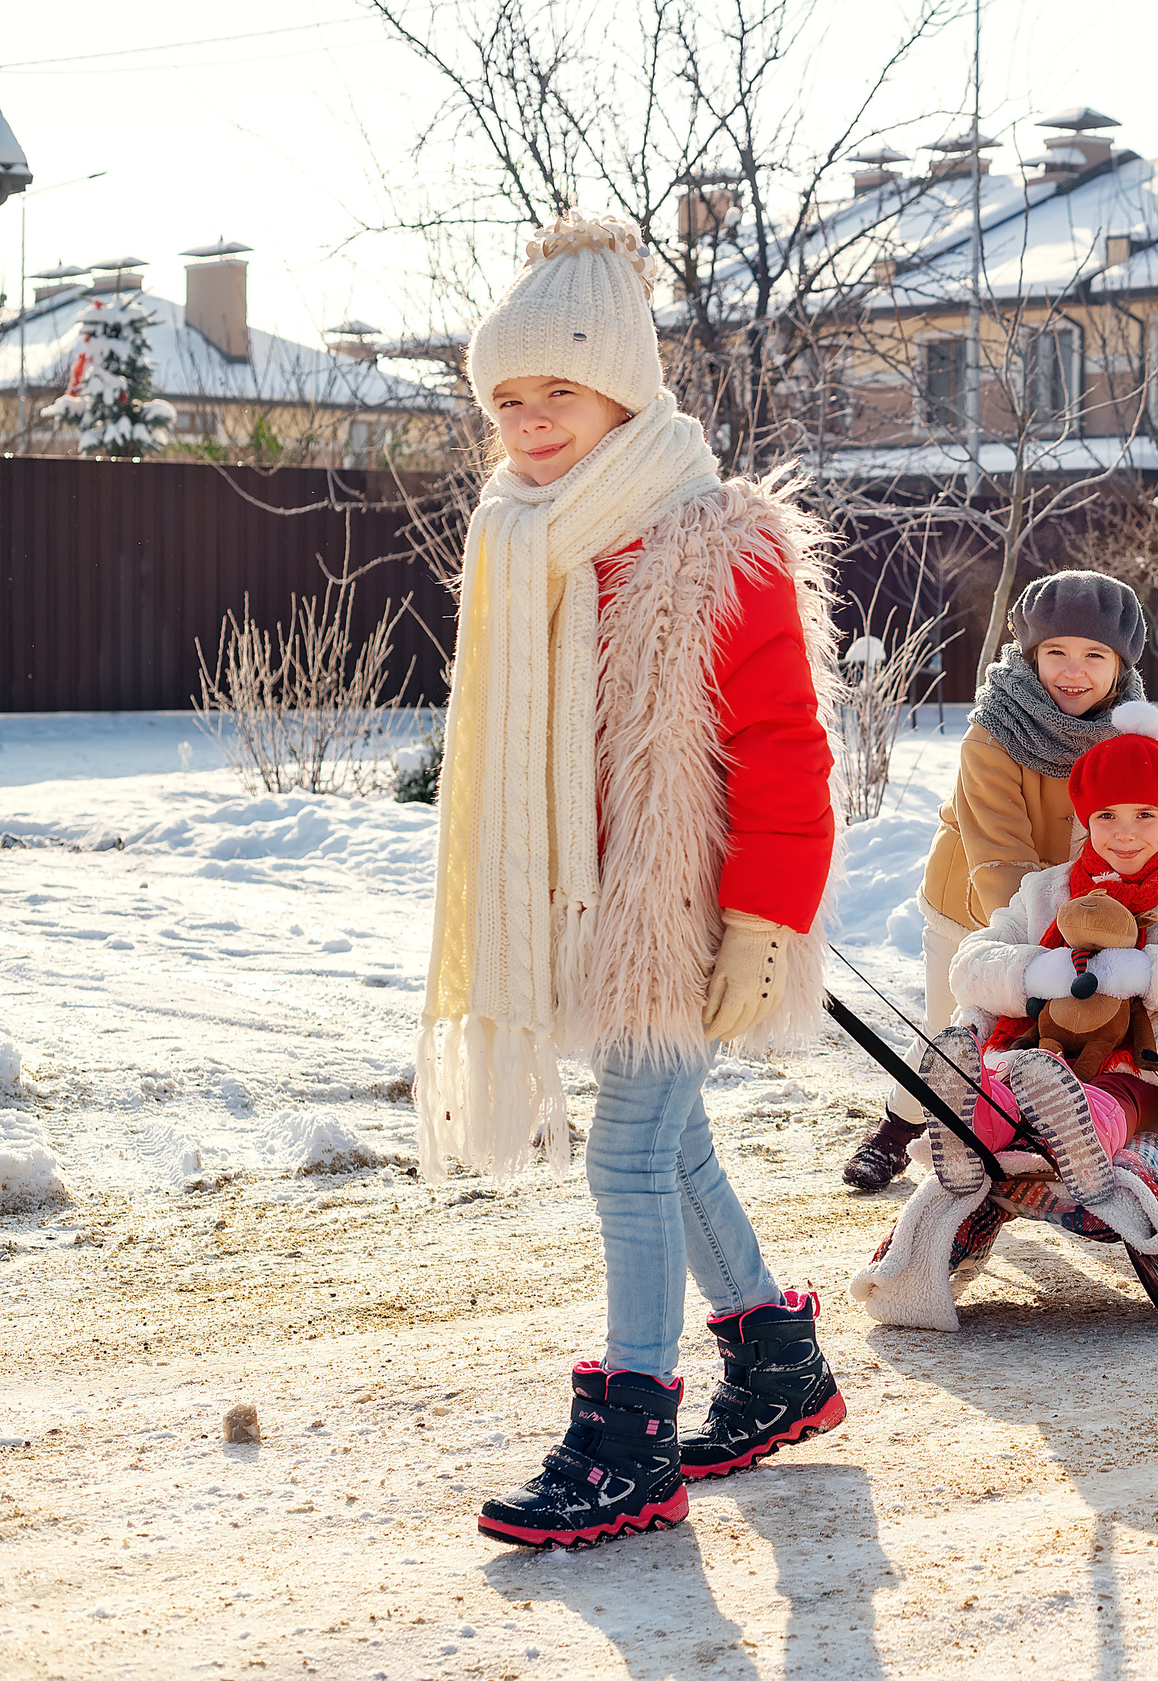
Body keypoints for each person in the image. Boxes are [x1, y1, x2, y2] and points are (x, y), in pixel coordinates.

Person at [413, 210, 848, 1551]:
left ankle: (630, 1430)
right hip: (580, 903)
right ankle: (776, 1364)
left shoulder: (716, 542)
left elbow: (784, 749)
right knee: (677, 1144)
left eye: (560, 392)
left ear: (627, 388)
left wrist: (768, 922)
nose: (532, 422)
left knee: (628, 1157)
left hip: (683, 910)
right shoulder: (526, 539)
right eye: (509, 399)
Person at [851, 703, 1158, 1331]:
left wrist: (1150, 972)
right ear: (1086, 819)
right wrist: (1036, 973)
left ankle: (1073, 1131)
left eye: (1144, 815)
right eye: (1106, 816)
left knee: (1104, 1095)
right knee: (1005, 1080)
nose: (1124, 832)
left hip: (1143, 1077)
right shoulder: (1048, 893)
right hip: (1040, 1057)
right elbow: (970, 963)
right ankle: (977, 1134)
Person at [838, 570, 1150, 1192]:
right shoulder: (994, 732)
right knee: (954, 1032)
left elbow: (1137, 829)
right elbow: (999, 855)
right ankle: (897, 1132)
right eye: (1055, 652)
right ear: (1029, 656)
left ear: (1121, 664)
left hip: (1075, 918)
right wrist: (1055, 944)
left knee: (1074, 1033)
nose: (1072, 670)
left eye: (1094, 655)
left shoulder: (1130, 738)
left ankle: (1052, 1142)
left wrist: (1116, 917)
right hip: (973, 907)